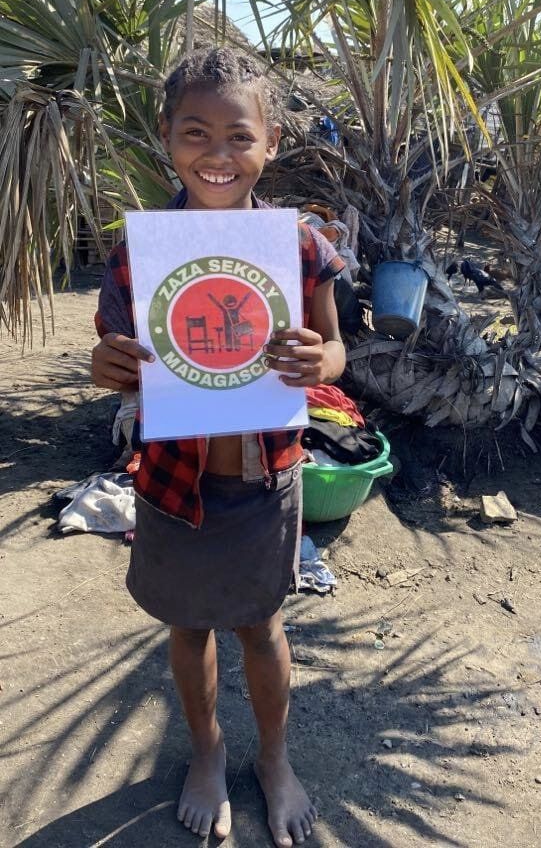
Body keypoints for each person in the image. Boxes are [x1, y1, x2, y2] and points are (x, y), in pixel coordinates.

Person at [91, 48, 346, 846]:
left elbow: (337, 350)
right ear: (167, 137)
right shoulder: (141, 249)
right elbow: (115, 353)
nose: (218, 154)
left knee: (264, 628)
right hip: (173, 479)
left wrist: (320, 361)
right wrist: (107, 365)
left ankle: (274, 759)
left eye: (240, 136)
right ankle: (206, 751)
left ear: (271, 144)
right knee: (188, 626)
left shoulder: (300, 244)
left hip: (266, 476)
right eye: (196, 132)